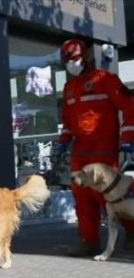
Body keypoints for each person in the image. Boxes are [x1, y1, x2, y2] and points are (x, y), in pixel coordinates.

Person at [57, 38, 134, 256]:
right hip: (80, 152)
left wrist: (128, 137)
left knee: (112, 195)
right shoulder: (69, 88)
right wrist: (64, 140)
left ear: (86, 57)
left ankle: (133, 233)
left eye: (74, 59)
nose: (71, 64)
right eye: (67, 61)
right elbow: (68, 121)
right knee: (82, 197)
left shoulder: (105, 79)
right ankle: (88, 241)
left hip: (104, 149)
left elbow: (130, 106)